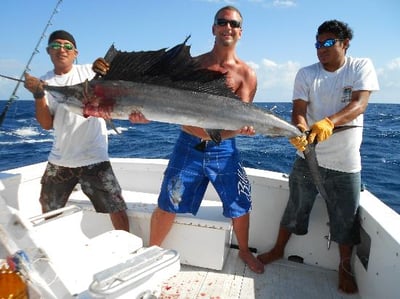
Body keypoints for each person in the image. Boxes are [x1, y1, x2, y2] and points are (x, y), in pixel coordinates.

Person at [257, 20, 379, 293]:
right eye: (317, 44)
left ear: (344, 43)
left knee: (345, 219)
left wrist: (328, 122)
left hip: (345, 163)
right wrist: (301, 128)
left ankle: (344, 267)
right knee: (294, 208)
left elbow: (359, 104)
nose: (320, 49)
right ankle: (278, 249)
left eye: (327, 43)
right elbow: (298, 110)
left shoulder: (360, 67)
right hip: (307, 156)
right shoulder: (305, 73)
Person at [148, 6, 264, 274]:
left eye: (233, 24)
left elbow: (241, 117)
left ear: (240, 32)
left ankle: (244, 251)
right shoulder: (193, 66)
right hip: (188, 145)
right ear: (213, 29)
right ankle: (151, 251)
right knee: (168, 202)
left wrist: (243, 129)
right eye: (222, 22)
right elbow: (164, 98)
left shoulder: (247, 74)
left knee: (240, 203)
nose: (228, 27)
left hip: (225, 150)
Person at [23, 30, 129, 232]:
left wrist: (107, 67)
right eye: (55, 45)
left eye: (67, 46)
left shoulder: (90, 72)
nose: (61, 49)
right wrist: (38, 95)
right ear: (48, 51)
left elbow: (113, 77)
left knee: (115, 207)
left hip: (94, 158)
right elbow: (46, 124)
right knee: (48, 209)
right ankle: (51, 248)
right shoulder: (45, 83)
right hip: (60, 160)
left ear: (76, 53)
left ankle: (130, 246)